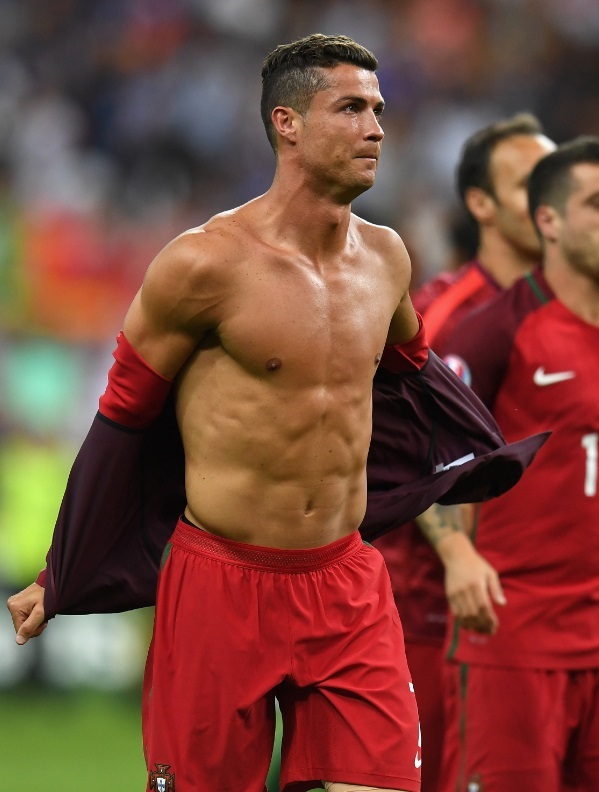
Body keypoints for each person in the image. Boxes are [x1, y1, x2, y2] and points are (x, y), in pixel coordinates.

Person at [5, 35, 546, 792]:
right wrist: (64, 569)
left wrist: (477, 460)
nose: (376, 128)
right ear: (286, 123)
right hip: (222, 585)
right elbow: (122, 421)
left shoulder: (387, 259)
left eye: (378, 109)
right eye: (350, 108)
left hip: (346, 580)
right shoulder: (202, 265)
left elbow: (415, 383)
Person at [373, 113, 555, 792]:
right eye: (527, 183)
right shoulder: (442, 316)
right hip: (434, 614)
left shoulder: (574, 312)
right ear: (480, 203)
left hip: (544, 609)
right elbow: (413, 452)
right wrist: (455, 552)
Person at [439, 136, 599, 792]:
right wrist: (456, 553)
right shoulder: (495, 330)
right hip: (517, 638)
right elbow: (428, 457)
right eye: (596, 203)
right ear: (548, 220)